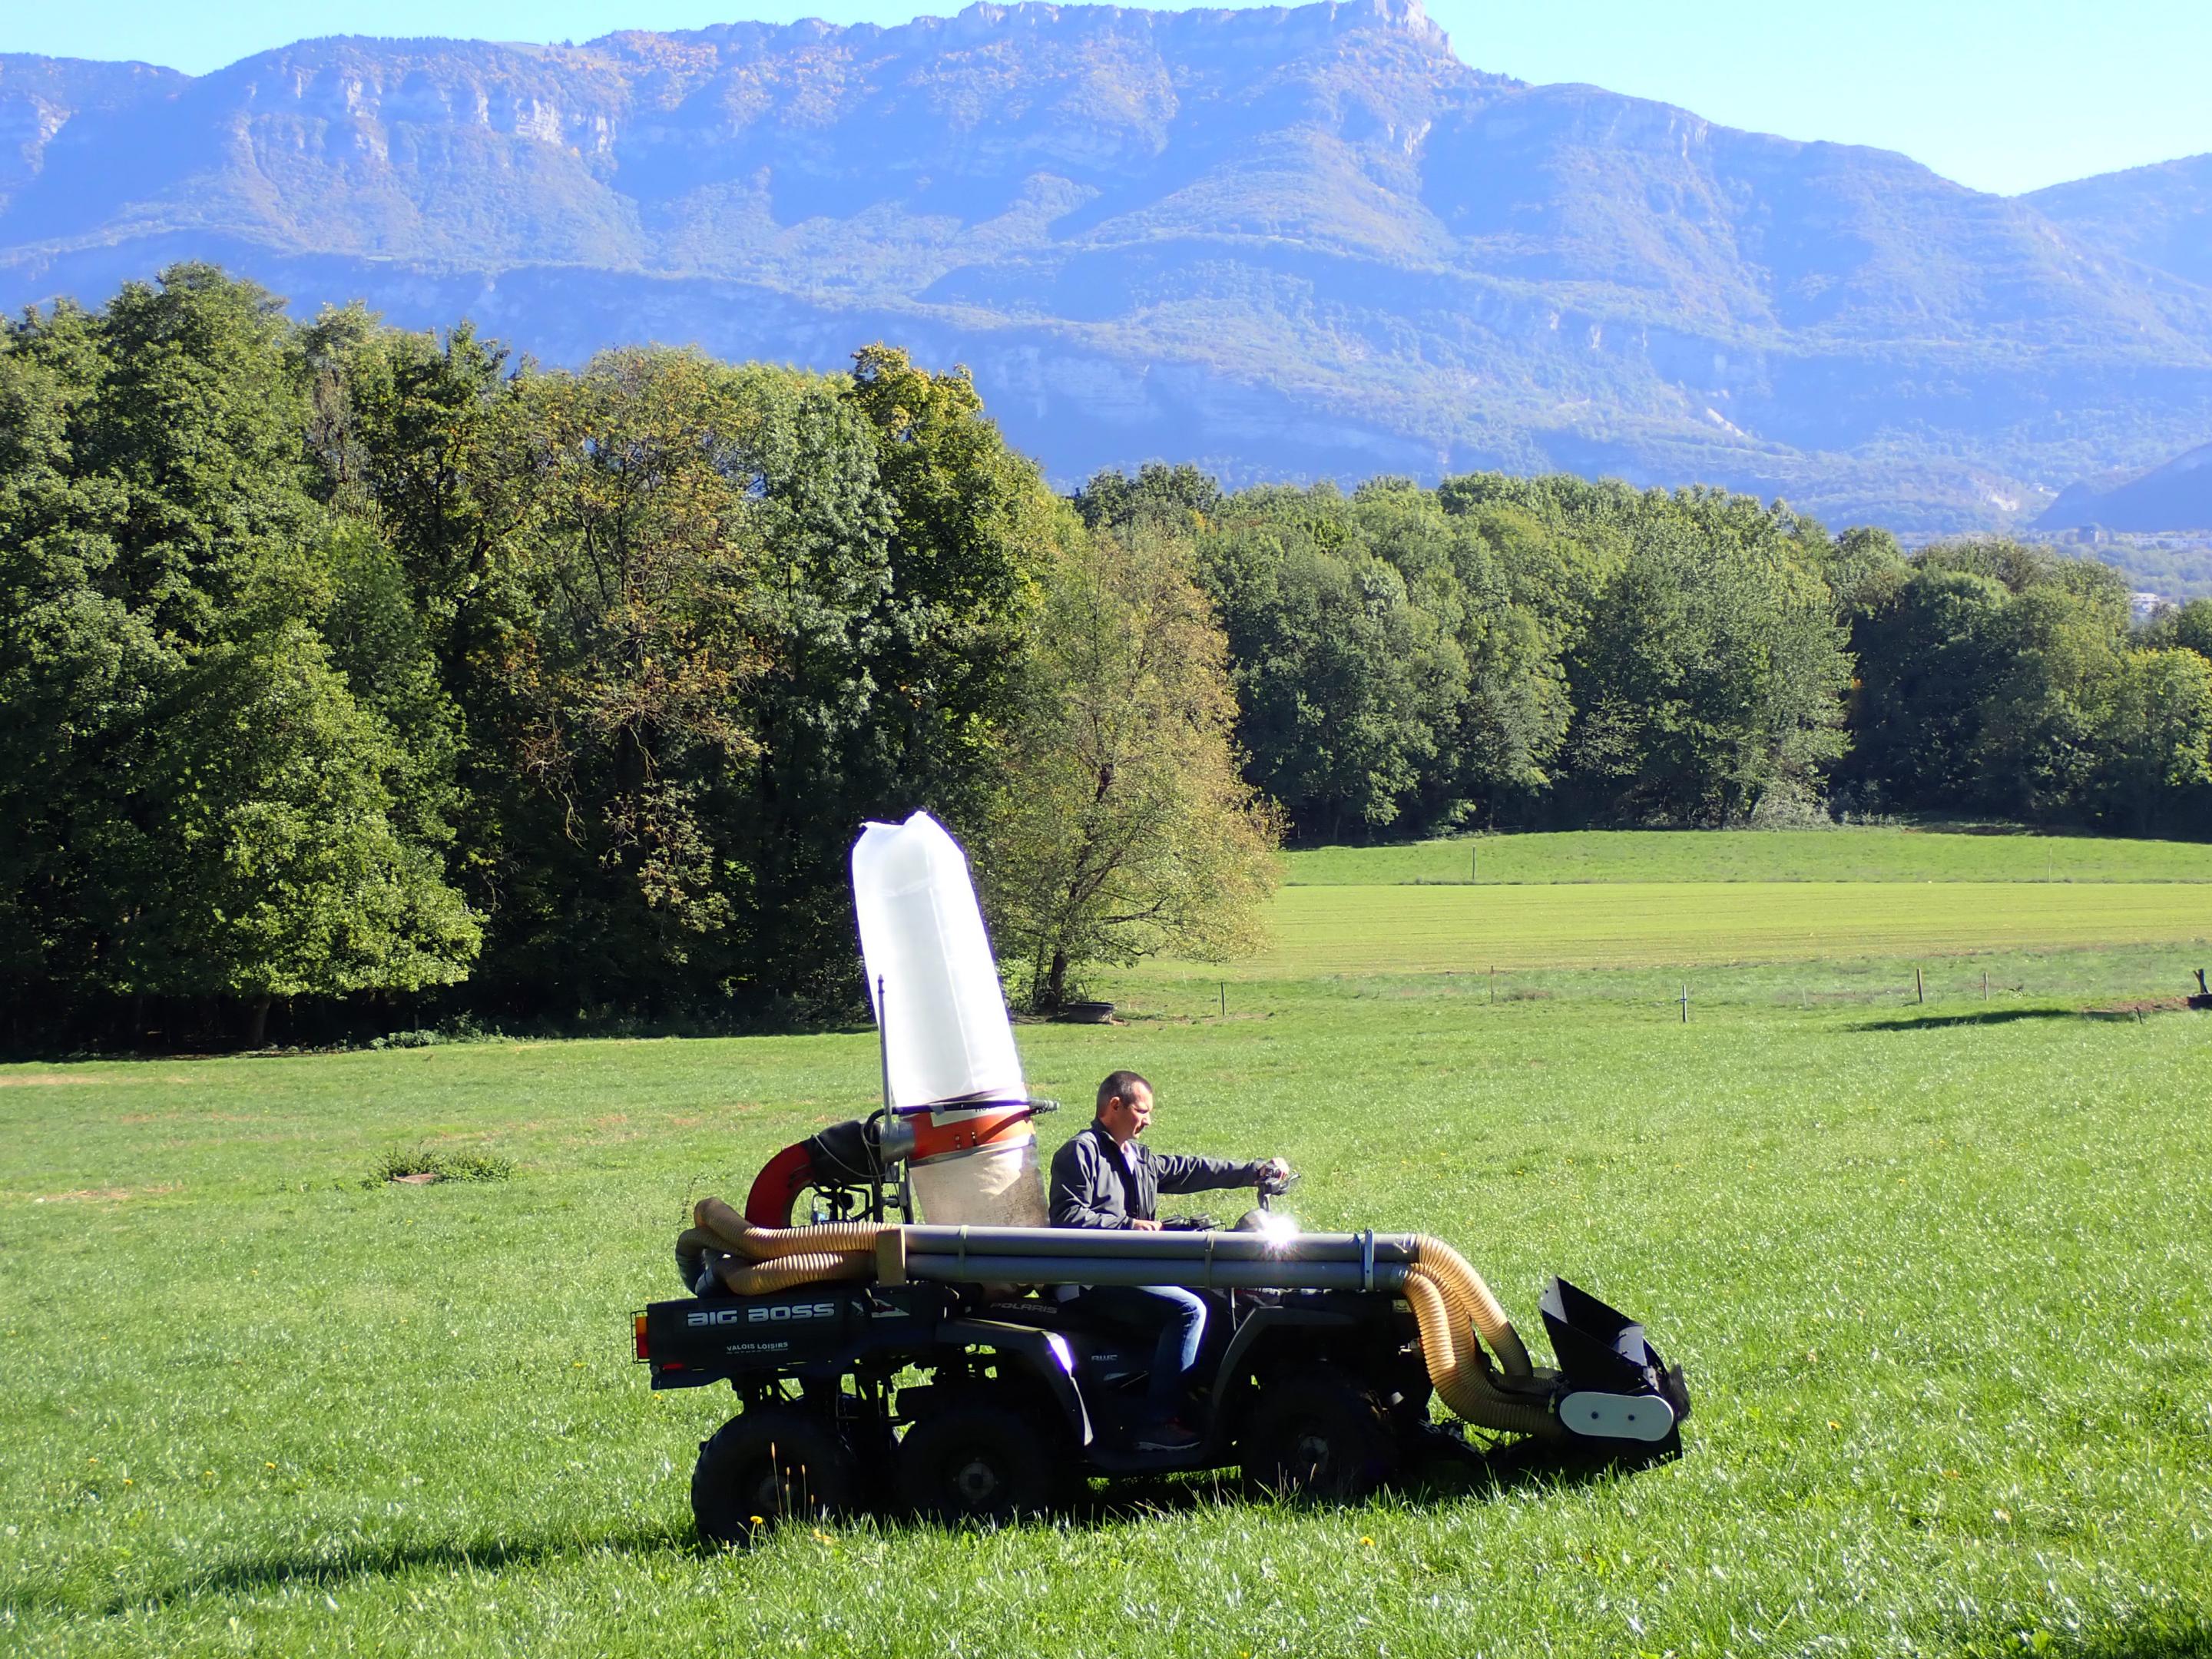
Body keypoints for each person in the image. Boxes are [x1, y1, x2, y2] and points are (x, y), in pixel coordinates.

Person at [1048, 1068, 1289, 1449]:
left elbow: (1192, 1169)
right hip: (1094, 1279)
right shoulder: (1081, 1152)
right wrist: (1130, 1226)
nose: (1148, 1120)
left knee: (1224, 1297)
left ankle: (1208, 1401)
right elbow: (1067, 1217)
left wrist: (1253, 1172)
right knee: (1189, 1310)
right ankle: (1156, 1424)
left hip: (1137, 1270)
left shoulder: (1138, 1156)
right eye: (1142, 1111)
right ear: (1115, 1105)